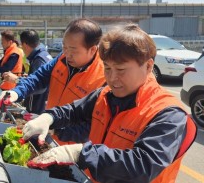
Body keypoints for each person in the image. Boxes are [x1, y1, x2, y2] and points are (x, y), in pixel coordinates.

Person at [23, 24, 197, 183]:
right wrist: (48, 118)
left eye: (121, 69)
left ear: (148, 66)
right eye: (107, 68)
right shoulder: (106, 94)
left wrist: (80, 153)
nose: (112, 79)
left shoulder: (167, 113)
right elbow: (73, 111)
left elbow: (142, 165)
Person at [0, 18, 106, 144]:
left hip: (72, 150)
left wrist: (55, 128)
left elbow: (93, 127)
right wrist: (16, 92)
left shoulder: (104, 77)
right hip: (47, 136)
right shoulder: (62, 58)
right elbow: (38, 78)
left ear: (92, 50)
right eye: (64, 47)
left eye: (73, 50)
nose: (66, 54)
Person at [2, 29, 53, 114]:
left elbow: (39, 86)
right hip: (43, 105)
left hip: (38, 109)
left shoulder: (38, 60)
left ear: (25, 44)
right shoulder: (44, 55)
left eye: (21, 45)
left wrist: (16, 80)